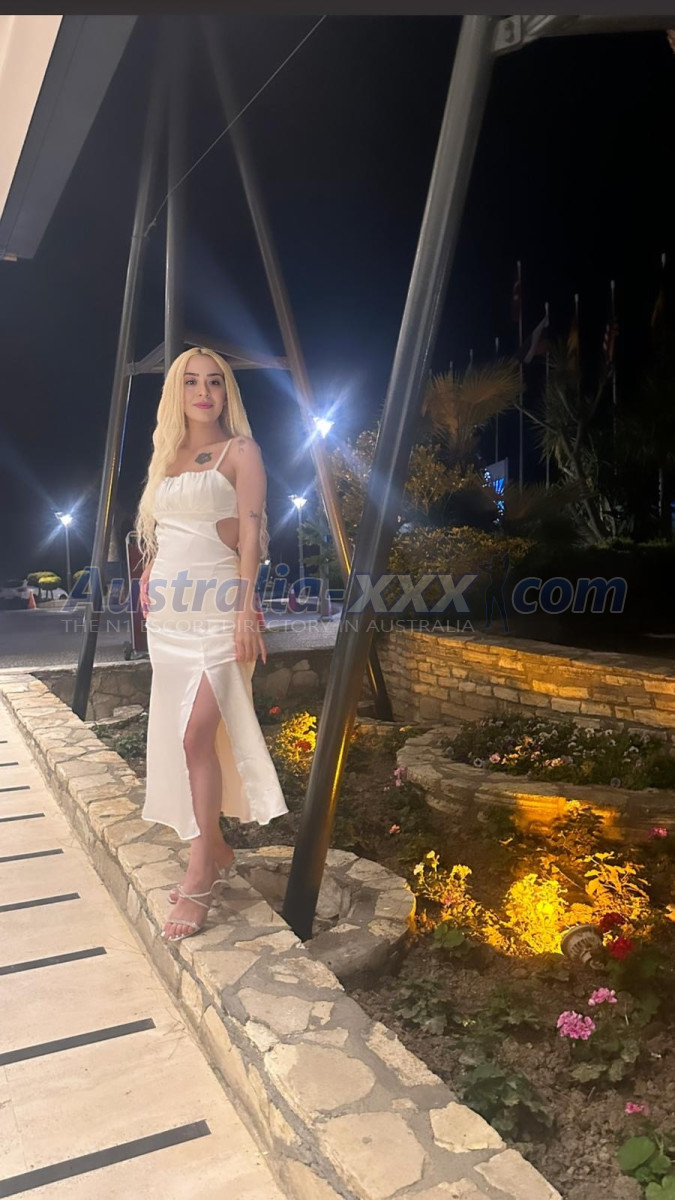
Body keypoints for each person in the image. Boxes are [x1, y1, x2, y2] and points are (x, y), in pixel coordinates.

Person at [134, 347, 288, 942]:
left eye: (215, 382)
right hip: (168, 616)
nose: (204, 392)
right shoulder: (167, 454)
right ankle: (216, 848)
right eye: (192, 382)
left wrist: (248, 608)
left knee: (197, 732)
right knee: (182, 733)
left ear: (228, 392)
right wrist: (151, 566)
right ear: (177, 391)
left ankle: (201, 870)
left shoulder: (241, 451)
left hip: (220, 608)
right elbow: (169, 526)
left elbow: (249, 535)